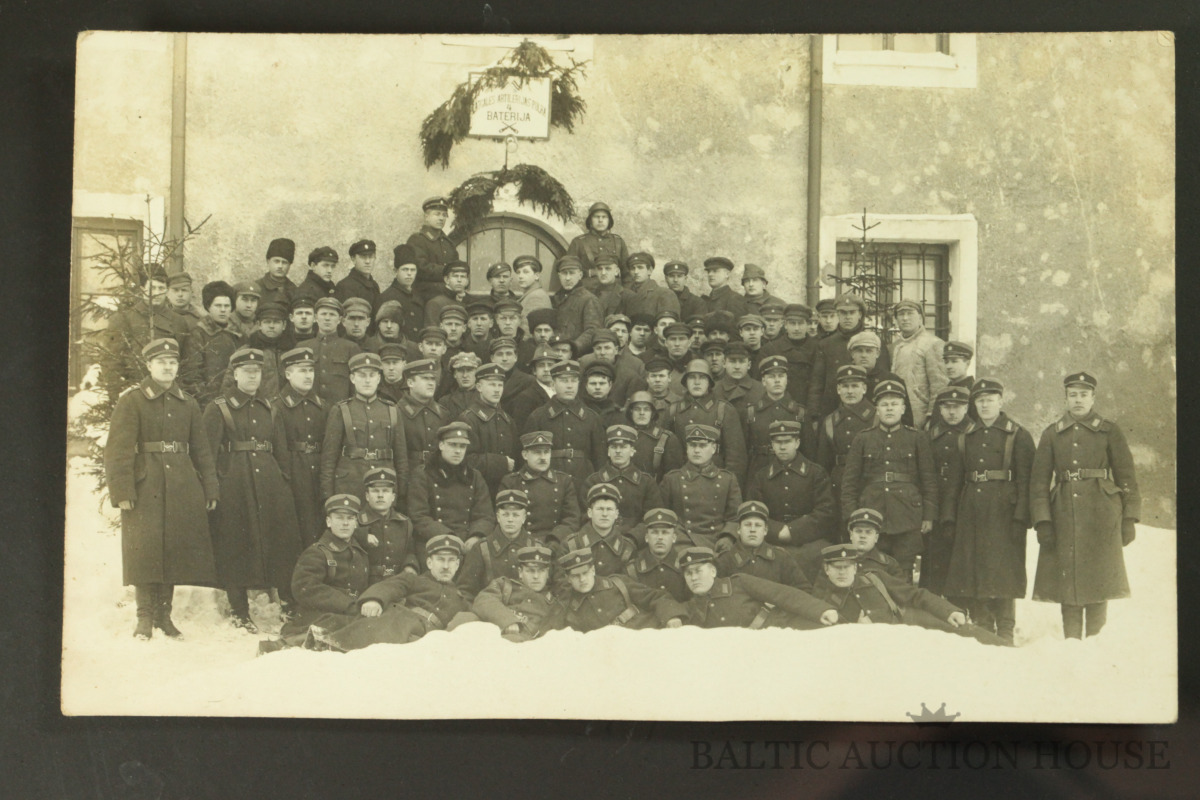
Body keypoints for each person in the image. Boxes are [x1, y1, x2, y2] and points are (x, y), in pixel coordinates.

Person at [104, 338, 218, 640]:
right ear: (149, 365)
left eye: (173, 362)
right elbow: (118, 450)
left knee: (173, 550)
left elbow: (202, 450)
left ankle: (164, 616)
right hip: (145, 484)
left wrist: (210, 488)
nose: (168, 367)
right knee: (144, 549)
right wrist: (122, 491)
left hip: (182, 484)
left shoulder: (187, 403)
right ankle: (144, 617)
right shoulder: (133, 400)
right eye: (161, 362)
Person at [1030, 371, 1140, 640]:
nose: (1078, 400)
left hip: (1102, 514)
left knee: (1098, 578)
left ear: (1093, 397)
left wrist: (1129, 518)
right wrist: (1043, 521)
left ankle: (1095, 641)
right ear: (1065, 399)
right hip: (1063, 514)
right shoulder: (1052, 434)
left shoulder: (1109, 431)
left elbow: (1126, 477)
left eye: (1083, 394)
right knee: (1067, 579)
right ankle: (1071, 642)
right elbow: (1038, 483)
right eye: (1073, 395)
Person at [203, 347, 302, 631]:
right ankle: (240, 611)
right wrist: (215, 486)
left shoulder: (270, 408)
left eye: (256, 372)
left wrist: (282, 480)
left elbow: (280, 450)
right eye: (246, 372)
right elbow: (207, 454)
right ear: (235, 374)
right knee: (235, 543)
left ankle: (287, 605)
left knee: (280, 542)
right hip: (235, 485)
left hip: (270, 484)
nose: (252, 377)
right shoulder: (219, 408)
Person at [943, 379, 1035, 642]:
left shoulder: (1017, 434)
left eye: (990, 400)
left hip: (1004, 510)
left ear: (1000, 401)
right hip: (971, 509)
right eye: (980, 401)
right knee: (974, 566)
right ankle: (983, 625)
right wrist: (949, 516)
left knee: (1004, 569)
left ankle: (1005, 628)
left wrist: (1021, 516)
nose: (984, 405)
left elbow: (1027, 479)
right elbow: (955, 480)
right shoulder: (966, 436)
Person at [809, 544, 1007, 646]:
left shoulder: (874, 577)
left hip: (910, 621)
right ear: (826, 569)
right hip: (890, 646)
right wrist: (861, 632)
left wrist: (948, 611)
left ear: (855, 567)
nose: (842, 572)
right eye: (837, 567)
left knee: (967, 632)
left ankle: (1011, 653)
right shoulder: (822, 602)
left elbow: (915, 595)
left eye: (847, 567)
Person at [840, 379, 940, 579]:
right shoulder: (863, 438)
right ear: (877, 409)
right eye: (884, 404)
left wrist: (928, 515)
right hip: (872, 514)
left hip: (907, 516)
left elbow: (928, 480)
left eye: (894, 404)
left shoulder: (917, 438)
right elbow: (849, 482)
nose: (889, 409)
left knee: (903, 571)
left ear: (903, 409)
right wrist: (851, 516)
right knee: (872, 568)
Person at [308, 534, 476, 651]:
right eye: (440, 560)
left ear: (457, 565)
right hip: (401, 622)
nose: (445, 566)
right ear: (429, 563)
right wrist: (375, 600)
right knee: (391, 620)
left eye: (451, 561)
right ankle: (333, 645)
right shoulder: (414, 579)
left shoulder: (460, 599)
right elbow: (392, 585)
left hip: (428, 637)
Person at [263, 494, 372, 653]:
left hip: (352, 611)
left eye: (350, 518)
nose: (345, 523)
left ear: (356, 523)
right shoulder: (317, 552)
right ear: (328, 522)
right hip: (322, 614)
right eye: (339, 518)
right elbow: (305, 588)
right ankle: (283, 645)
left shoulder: (359, 551)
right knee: (339, 627)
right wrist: (347, 604)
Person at [745, 419, 836, 579]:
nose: (782, 447)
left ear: (797, 443)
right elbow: (754, 513)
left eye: (787, 441)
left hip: (809, 541)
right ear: (772, 445)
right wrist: (777, 531)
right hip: (772, 540)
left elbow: (825, 512)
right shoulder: (762, 476)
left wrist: (793, 531)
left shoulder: (816, 473)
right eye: (778, 442)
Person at [318, 352, 408, 502]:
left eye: (372, 375)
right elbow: (329, 458)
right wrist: (328, 495)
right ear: (352, 378)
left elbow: (401, 457)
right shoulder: (341, 410)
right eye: (362, 375)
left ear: (378, 378)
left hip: (384, 485)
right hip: (350, 484)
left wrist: (401, 492)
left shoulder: (392, 410)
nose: (367, 380)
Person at [678, 547, 837, 631]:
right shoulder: (690, 609)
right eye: (688, 573)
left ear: (713, 571)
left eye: (698, 571)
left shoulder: (738, 582)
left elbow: (781, 594)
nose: (693, 577)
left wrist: (820, 610)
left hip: (782, 629)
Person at [521, 359, 606, 503]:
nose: (569, 385)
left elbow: (600, 458)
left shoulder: (592, 417)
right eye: (564, 381)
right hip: (548, 482)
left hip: (583, 481)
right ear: (553, 383)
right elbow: (527, 459)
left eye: (573, 380)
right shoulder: (538, 417)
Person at [407, 422, 494, 556]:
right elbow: (418, 516)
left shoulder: (474, 476)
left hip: (468, 544)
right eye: (453, 445)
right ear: (441, 445)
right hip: (434, 542)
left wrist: (476, 536)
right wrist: (447, 536)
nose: (458, 451)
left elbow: (485, 515)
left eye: (462, 446)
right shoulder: (424, 474)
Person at [103, 264, 193, 389]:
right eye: (152, 288)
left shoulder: (178, 321)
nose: (156, 293)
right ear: (142, 289)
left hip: (169, 388)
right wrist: (118, 391)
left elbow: (186, 361)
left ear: (167, 290)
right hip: (134, 389)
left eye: (161, 288)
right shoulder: (124, 319)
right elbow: (111, 361)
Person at [660, 359, 747, 485]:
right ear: (685, 382)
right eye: (692, 377)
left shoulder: (723, 410)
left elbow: (736, 459)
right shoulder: (673, 411)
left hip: (716, 483)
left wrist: (728, 488)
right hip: (681, 483)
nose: (697, 382)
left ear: (709, 382)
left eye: (702, 377)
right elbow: (666, 457)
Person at [558, 549, 687, 632]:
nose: (582, 579)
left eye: (585, 573)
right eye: (576, 576)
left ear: (593, 570)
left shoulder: (617, 583)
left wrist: (672, 617)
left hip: (646, 635)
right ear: (568, 578)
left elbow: (656, 597)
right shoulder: (570, 607)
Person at [274, 346, 328, 545]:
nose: (308, 376)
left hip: (319, 468)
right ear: (288, 374)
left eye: (311, 370)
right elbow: (279, 449)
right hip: (294, 470)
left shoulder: (323, 406)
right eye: (302, 370)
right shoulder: (278, 407)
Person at [807, 293, 891, 420]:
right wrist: (813, 414)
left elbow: (882, 378)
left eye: (852, 312)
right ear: (838, 314)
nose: (847, 317)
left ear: (860, 314)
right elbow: (817, 383)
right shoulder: (826, 345)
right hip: (834, 411)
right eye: (843, 313)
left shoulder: (874, 342)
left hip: (867, 412)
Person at [922, 385, 972, 595]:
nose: (952, 412)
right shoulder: (930, 436)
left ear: (966, 408)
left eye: (957, 407)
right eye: (947, 407)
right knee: (935, 557)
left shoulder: (974, 433)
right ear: (940, 410)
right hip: (937, 501)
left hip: (964, 502)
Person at [660, 423, 741, 548]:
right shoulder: (672, 479)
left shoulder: (727, 480)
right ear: (687, 448)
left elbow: (735, 518)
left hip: (717, 542)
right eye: (692, 445)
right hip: (681, 541)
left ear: (713, 448)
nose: (696, 450)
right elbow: (663, 517)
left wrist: (728, 537)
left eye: (702, 446)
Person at [498, 431, 582, 548]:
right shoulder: (511, 482)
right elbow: (505, 518)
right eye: (537, 452)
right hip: (522, 544)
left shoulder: (563, 481)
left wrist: (555, 540)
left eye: (546, 452)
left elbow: (572, 518)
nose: (543, 457)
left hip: (556, 542)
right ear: (525, 455)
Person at [815, 365, 876, 518]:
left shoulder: (877, 417)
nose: (849, 391)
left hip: (870, 482)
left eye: (855, 386)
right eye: (845, 386)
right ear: (838, 389)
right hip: (840, 484)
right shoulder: (830, 421)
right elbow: (823, 463)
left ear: (864, 388)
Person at [471, 544, 567, 642]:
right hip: (493, 635)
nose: (536, 576)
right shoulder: (505, 586)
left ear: (547, 573)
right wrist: (508, 620)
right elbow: (484, 600)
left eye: (541, 571)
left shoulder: (553, 605)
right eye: (530, 571)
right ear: (520, 572)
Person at [714, 501, 814, 590]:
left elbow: (803, 589)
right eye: (748, 525)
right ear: (739, 529)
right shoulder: (725, 560)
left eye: (758, 525)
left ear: (765, 530)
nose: (752, 529)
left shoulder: (781, 558)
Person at [583, 424, 664, 534]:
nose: (618, 451)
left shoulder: (646, 482)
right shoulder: (593, 481)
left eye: (623, 447)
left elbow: (651, 517)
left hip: (636, 540)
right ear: (608, 451)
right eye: (614, 447)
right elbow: (585, 516)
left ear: (632, 451)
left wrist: (633, 537)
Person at [458, 489, 539, 597]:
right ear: (498, 517)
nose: (510, 519)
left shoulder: (536, 547)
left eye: (515, 515)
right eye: (505, 514)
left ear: (524, 518)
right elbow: (465, 592)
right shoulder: (481, 549)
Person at [744, 354, 807, 478]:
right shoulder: (751, 412)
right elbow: (743, 452)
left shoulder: (799, 412)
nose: (777, 380)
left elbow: (808, 452)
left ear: (786, 380)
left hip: (792, 473)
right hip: (759, 471)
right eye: (772, 377)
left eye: (781, 376)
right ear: (763, 381)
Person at [889, 299, 949, 429]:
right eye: (901, 314)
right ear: (896, 319)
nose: (905, 318)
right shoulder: (896, 346)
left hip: (921, 417)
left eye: (910, 313)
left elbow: (939, 385)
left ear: (920, 318)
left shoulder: (932, 344)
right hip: (899, 415)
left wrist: (932, 417)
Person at [559, 483, 640, 577]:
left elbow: (630, 583)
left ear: (616, 514)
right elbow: (561, 581)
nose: (605, 514)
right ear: (590, 513)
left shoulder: (627, 548)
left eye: (609, 509)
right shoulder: (571, 545)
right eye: (600, 509)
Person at [354, 467, 418, 583]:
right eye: (375, 491)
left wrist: (410, 566)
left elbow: (410, 552)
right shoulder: (356, 521)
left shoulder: (404, 522)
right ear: (367, 496)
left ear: (393, 497)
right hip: (367, 583)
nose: (380, 495)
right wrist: (361, 535)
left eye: (385, 491)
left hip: (398, 581)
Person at [299, 297, 361, 407]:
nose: (327, 318)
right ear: (315, 317)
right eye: (323, 314)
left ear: (340, 320)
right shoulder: (303, 347)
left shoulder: (351, 348)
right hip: (309, 408)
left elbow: (356, 386)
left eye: (332, 314)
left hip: (340, 409)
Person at [218, 301, 287, 398]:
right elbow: (228, 387)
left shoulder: (291, 352)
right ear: (259, 324)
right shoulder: (245, 352)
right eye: (267, 322)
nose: (271, 326)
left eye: (276, 322)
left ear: (284, 325)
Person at [191, 281, 241, 405]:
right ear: (208, 307)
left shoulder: (238, 334)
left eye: (227, 306)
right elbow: (192, 375)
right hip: (208, 401)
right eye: (218, 306)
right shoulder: (198, 334)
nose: (223, 310)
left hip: (235, 400)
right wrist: (207, 402)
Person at [625, 509, 690, 602]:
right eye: (655, 532)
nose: (660, 537)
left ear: (674, 538)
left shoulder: (685, 566)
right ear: (646, 537)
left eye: (665, 532)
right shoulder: (633, 568)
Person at [761, 303, 818, 408]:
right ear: (785, 325)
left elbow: (818, 385)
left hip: (808, 406)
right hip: (779, 406)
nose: (796, 328)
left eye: (800, 323)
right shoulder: (771, 349)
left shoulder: (818, 348)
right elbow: (762, 383)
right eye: (792, 323)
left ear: (807, 324)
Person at [396, 358, 450, 467]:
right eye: (425, 378)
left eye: (433, 379)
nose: (431, 383)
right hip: (410, 471)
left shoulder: (443, 414)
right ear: (410, 383)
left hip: (437, 471)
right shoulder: (397, 412)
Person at [406, 196, 459, 306]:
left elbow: (457, 267)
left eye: (444, 215)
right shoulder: (417, 240)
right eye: (437, 214)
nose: (441, 218)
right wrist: (448, 272)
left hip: (449, 295)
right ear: (426, 217)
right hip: (425, 297)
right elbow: (421, 268)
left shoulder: (448, 243)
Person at [625, 391, 685, 480]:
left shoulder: (666, 439)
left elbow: (673, 478)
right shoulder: (624, 436)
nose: (642, 413)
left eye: (646, 409)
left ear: (652, 413)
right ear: (631, 412)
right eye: (637, 409)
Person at [551, 254, 602, 352]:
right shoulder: (557, 298)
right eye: (564, 273)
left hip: (577, 354)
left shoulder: (588, 299)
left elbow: (593, 331)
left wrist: (574, 347)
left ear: (580, 275)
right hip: (557, 351)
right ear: (559, 276)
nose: (567, 278)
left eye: (571, 273)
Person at [567, 201, 629, 279]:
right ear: (590, 220)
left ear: (609, 220)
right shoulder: (578, 242)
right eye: (596, 217)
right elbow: (569, 270)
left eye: (604, 217)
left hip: (615, 286)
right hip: (588, 286)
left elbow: (627, 273)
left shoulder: (618, 241)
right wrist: (590, 273)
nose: (600, 220)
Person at [377, 244, 425, 343]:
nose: (409, 273)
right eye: (405, 269)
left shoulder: (418, 296)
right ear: (396, 271)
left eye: (413, 270)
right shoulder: (387, 297)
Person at [844, 507, 907, 582]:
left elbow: (901, 588)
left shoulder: (889, 565)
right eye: (858, 531)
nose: (863, 536)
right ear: (851, 535)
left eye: (868, 532)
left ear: (876, 538)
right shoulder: (838, 560)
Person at [713, 342, 766, 424]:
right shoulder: (714, 390)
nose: (737, 367)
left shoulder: (761, 390)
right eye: (732, 361)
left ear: (749, 365)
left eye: (741, 362)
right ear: (724, 363)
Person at [507, 345, 557, 428]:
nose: (546, 369)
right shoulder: (525, 397)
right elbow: (521, 429)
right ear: (534, 371)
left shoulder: (560, 392)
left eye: (550, 365)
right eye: (541, 365)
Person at [624, 252, 681, 321]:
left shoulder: (665, 294)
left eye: (640, 267)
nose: (636, 272)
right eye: (632, 268)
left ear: (650, 270)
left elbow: (669, 324)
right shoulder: (625, 294)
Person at [512, 255, 553, 335]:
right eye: (518, 272)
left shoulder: (536, 297)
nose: (520, 276)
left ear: (536, 276)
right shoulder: (530, 294)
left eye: (525, 272)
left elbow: (529, 331)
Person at [334, 239, 381, 309]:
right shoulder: (345, 286)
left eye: (371, 257)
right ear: (353, 259)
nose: (368, 261)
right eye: (363, 257)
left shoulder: (374, 285)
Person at [580, 360, 625, 430]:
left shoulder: (617, 413)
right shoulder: (579, 409)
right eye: (593, 383)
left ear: (610, 385)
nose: (597, 387)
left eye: (602, 383)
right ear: (586, 385)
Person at [424, 261, 471, 327]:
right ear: (446, 280)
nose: (459, 280)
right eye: (455, 276)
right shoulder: (435, 304)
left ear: (467, 281)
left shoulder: (471, 301)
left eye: (463, 276)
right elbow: (432, 330)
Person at [255, 237, 298, 309]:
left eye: (284, 262)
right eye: (276, 261)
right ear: (268, 261)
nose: (280, 266)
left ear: (289, 265)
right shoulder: (257, 287)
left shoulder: (294, 291)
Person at [441, 351, 481, 419]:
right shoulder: (445, 402)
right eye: (460, 371)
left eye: (469, 370)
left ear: (476, 373)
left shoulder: (485, 398)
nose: (465, 375)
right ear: (455, 374)